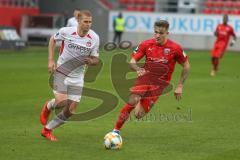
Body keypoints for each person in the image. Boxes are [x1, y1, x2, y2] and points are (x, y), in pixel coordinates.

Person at [111, 20, 190, 135]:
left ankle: (140, 99)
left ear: (167, 33)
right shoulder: (146, 44)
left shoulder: (175, 48)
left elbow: (186, 65)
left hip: (159, 85)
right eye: (155, 32)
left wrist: (180, 85)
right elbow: (132, 61)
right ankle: (115, 131)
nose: (157, 35)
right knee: (133, 100)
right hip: (145, 78)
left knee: (139, 115)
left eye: (161, 33)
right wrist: (138, 69)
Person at [40, 10, 100, 141]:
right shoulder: (66, 31)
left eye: (90, 22)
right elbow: (52, 40)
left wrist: (91, 61)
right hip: (62, 72)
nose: (88, 25)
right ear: (78, 20)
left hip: (78, 77)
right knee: (62, 102)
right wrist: (51, 60)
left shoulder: (94, 38)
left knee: (70, 111)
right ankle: (49, 106)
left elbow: (96, 59)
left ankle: (47, 130)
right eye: (85, 21)